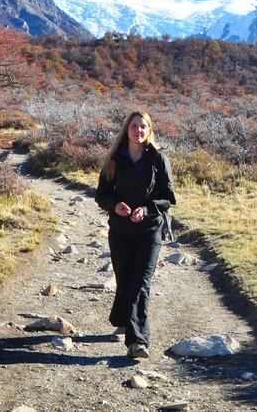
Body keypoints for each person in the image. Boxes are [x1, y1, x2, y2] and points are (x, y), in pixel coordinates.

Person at [95, 110, 176, 358]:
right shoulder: (114, 159)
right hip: (121, 232)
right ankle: (121, 316)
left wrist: (147, 209)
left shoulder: (158, 159)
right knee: (124, 280)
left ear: (149, 130)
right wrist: (114, 205)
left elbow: (168, 197)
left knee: (140, 284)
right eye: (134, 126)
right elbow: (101, 194)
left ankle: (137, 341)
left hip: (150, 231)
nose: (138, 131)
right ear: (126, 130)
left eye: (143, 127)